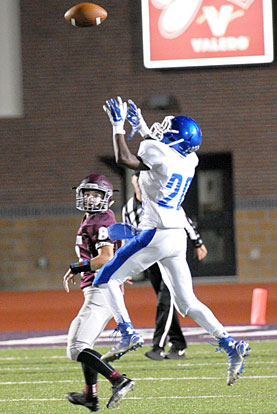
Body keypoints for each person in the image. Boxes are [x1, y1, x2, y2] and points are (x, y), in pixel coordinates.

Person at [90, 96, 249, 386]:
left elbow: (125, 159)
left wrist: (118, 127)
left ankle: (127, 333)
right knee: (187, 303)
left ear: (175, 139)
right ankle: (231, 345)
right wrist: (142, 127)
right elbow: (162, 148)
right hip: (176, 234)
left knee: (106, 278)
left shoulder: (156, 151)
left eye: (167, 129)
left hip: (156, 232)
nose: (161, 130)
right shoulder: (191, 158)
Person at [62, 173, 136, 412]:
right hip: (100, 289)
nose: (91, 199)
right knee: (86, 344)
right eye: (88, 194)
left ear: (107, 198)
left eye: (96, 195)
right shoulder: (94, 219)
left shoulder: (100, 220)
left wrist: (75, 267)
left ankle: (118, 380)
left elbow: (105, 257)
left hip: (101, 289)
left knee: (76, 347)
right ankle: (90, 396)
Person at [117, 170, 207, 362]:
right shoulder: (128, 208)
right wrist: (126, 265)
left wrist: (198, 243)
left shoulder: (162, 199)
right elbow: (128, 236)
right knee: (165, 301)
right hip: (151, 259)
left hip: (170, 254)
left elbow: (185, 221)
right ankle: (178, 343)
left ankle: (158, 346)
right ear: (133, 181)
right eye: (137, 178)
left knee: (166, 300)